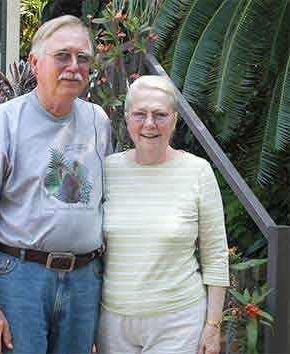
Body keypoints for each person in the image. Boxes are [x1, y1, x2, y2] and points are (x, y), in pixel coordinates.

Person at [0, 15, 111, 354]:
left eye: (83, 58)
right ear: (35, 64)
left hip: (84, 281)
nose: (74, 66)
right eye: (62, 56)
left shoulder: (98, 121)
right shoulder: (1, 124)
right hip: (20, 279)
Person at [97, 75, 228, 354]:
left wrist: (213, 326)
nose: (149, 124)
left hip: (178, 323)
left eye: (160, 114)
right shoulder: (107, 170)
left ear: (175, 118)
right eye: (139, 114)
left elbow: (215, 255)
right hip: (112, 324)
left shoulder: (198, 171)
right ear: (127, 117)